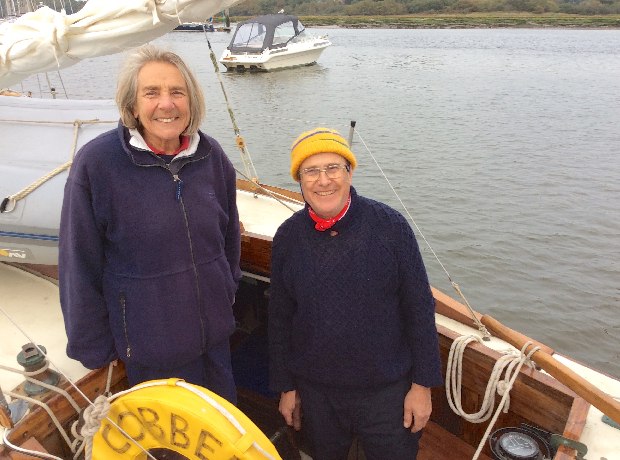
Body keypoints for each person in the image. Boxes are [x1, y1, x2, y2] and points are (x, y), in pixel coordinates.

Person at [59, 45, 241, 404]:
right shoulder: (98, 164)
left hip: (215, 340)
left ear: (191, 101)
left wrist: (227, 289)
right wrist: (95, 349)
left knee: (225, 438)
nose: (166, 103)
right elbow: (78, 262)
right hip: (150, 352)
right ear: (132, 105)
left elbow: (229, 236)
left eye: (177, 92)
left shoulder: (211, 155)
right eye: (152, 93)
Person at [268, 127, 443, 459]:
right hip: (317, 394)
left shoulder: (391, 228)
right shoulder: (287, 238)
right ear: (300, 181)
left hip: (387, 393)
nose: (324, 181)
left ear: (350, 173)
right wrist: (287, 387)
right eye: (311, 171)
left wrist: (422, 387)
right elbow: (279, 318)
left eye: (334, 168)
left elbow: (419, 309)